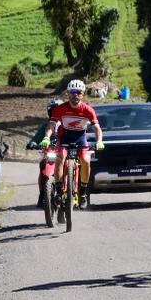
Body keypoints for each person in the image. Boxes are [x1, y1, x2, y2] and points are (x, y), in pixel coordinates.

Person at [40, 80, 104, 211]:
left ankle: (83, 192)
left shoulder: (88, 110)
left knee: (85, 161)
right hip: (64, 136)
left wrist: (99, 141)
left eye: (79, 92)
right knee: (59, 158)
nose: (76, 95)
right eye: (73, 92)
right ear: (68, 94)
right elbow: (51, 125)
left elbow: (97, 128)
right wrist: (46, 137)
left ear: (83, 94)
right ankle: (58, 189)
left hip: (80, 138)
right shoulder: (60, 109)